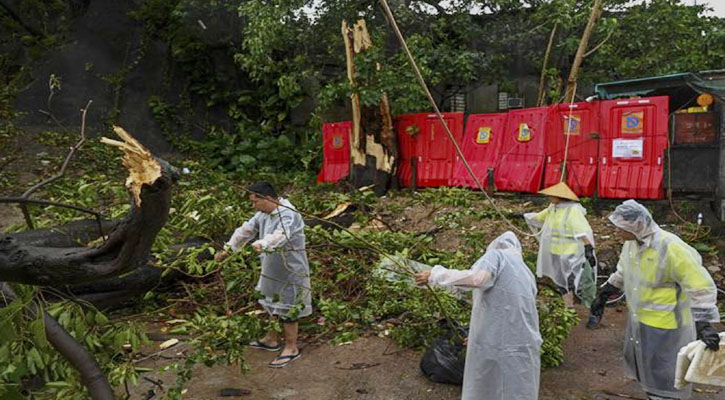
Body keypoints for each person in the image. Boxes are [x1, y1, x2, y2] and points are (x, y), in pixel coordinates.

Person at [587, 200, 721, 400]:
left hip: (668, 325)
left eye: (620, 228)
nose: (617, 232)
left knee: (667, 374)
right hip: (641, 320)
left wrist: (704, 323)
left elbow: (699, 285)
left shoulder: (670, 247)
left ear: (637, 225)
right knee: (646, 368)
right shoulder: (631, 245)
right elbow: (624, 271)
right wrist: (605, 293)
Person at [415, 231, 542, 400]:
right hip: (523, 340)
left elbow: (477, 279)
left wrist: (436, 275)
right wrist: (478, 334)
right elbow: (508, 310)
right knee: (515, 385)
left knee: (489, 383)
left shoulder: (497, 256)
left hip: (502, 343)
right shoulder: (526, 272)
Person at [215, 182, 312, 368]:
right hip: (271, 267)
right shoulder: (262, 214)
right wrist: (228, 249)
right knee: (271, 301)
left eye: (255, 202)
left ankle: (291, 348)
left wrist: (263, 244)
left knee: (289, 307)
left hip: (290, 269)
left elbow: (280, 235)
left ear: (268, 198)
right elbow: (245, 230)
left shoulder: (288, 214)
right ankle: (271, 339)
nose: (254, 206)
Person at [524, 182, 597, 307]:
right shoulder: (553, 209)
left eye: (552, 196)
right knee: (560, 281)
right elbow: (539, 218)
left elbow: (581, 230)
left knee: (572, 281)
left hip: (571, 252)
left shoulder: (573, 211)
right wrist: (524, 215)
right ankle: (568, 306)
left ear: (560, 197)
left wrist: (588, 246)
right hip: (555, 251)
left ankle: (582, 304)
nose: (550, 198)